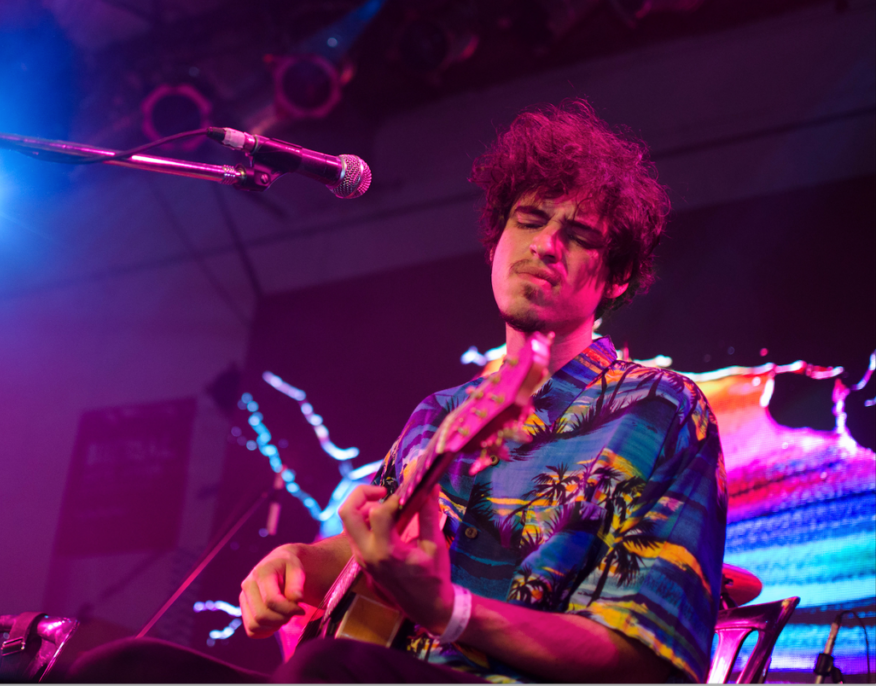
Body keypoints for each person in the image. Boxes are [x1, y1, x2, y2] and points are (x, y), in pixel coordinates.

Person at [69, 100, 727, 683]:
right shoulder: (440, 414)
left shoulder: (661, 410)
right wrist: (299, 561)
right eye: (530, 221)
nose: (547, 246)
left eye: (579, 236)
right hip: (363, 669)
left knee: (330, 671)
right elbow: (380, 554)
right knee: (120, 669)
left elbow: (651, 663)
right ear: (496, 243)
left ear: (617, 278)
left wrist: (451, 612)